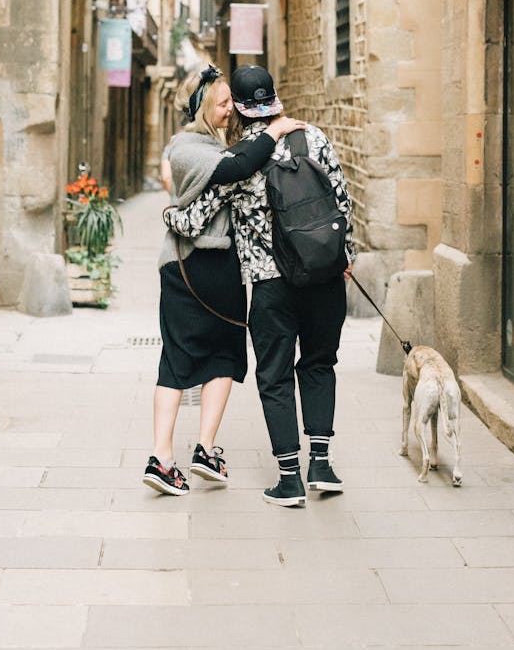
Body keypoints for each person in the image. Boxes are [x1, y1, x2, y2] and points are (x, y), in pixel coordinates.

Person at [164, 64, 356, 508]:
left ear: (243, 112)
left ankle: (289, 477)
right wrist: (345, 256)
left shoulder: (236, 162)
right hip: (324, 278)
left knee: (274, 375)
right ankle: (321, 464)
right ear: (275, 101)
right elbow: (342, 201)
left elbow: (192, 220)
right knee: (319, 364)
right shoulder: (315, 138)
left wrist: (168, 215)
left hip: (271, 286)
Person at [143, 65, 305, 497]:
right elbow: (240, 168)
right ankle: (161, 458)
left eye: (231, 101)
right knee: (180, 360)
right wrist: (276, 129)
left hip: (216, 269)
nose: (231, 108)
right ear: (199, 108)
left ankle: (206, 449)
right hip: (191, 268)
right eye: (222, 101)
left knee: (224, 357)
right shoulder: (187, 148)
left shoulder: (213, 143)